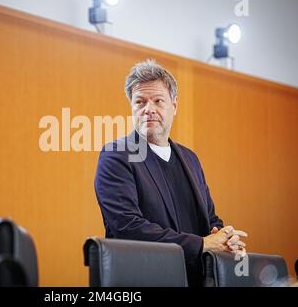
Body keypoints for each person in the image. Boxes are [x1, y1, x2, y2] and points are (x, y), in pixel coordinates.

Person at [94, 59, 247, 286]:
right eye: (140, 102)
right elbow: (128, 227)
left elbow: (211, 219)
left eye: (158, 101)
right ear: (132, 107)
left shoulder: (190, 159)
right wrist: (203, 244)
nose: (149, 109)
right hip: (143, 280)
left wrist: (225, 237)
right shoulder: (116, 155)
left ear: (174, 107)